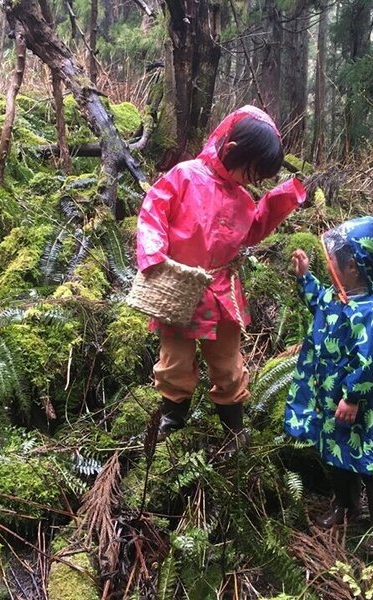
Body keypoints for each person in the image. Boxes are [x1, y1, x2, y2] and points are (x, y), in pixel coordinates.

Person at [136, 105, 306, 451]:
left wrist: (280, 199)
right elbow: (153, 211)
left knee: (228, 360)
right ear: (230, 151)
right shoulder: (184, 176)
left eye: (258, 178)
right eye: (251, 172)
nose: (251, 182)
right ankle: (173, 418)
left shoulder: (243, 198)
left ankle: (233, 429)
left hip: (222, 292)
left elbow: (252, 231)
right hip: (179, 288)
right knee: (175, 359)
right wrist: (154, 256)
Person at [284, 216, 373, 555]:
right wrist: (305, 277)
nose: (331, 267)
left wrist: (353, 396)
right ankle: (345, 504)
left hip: (367, 407)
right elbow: (318, 303)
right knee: (335, 455)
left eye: (336, 262)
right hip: (333, 400)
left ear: (354, 267)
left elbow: (371, 360)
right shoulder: (336, 296)